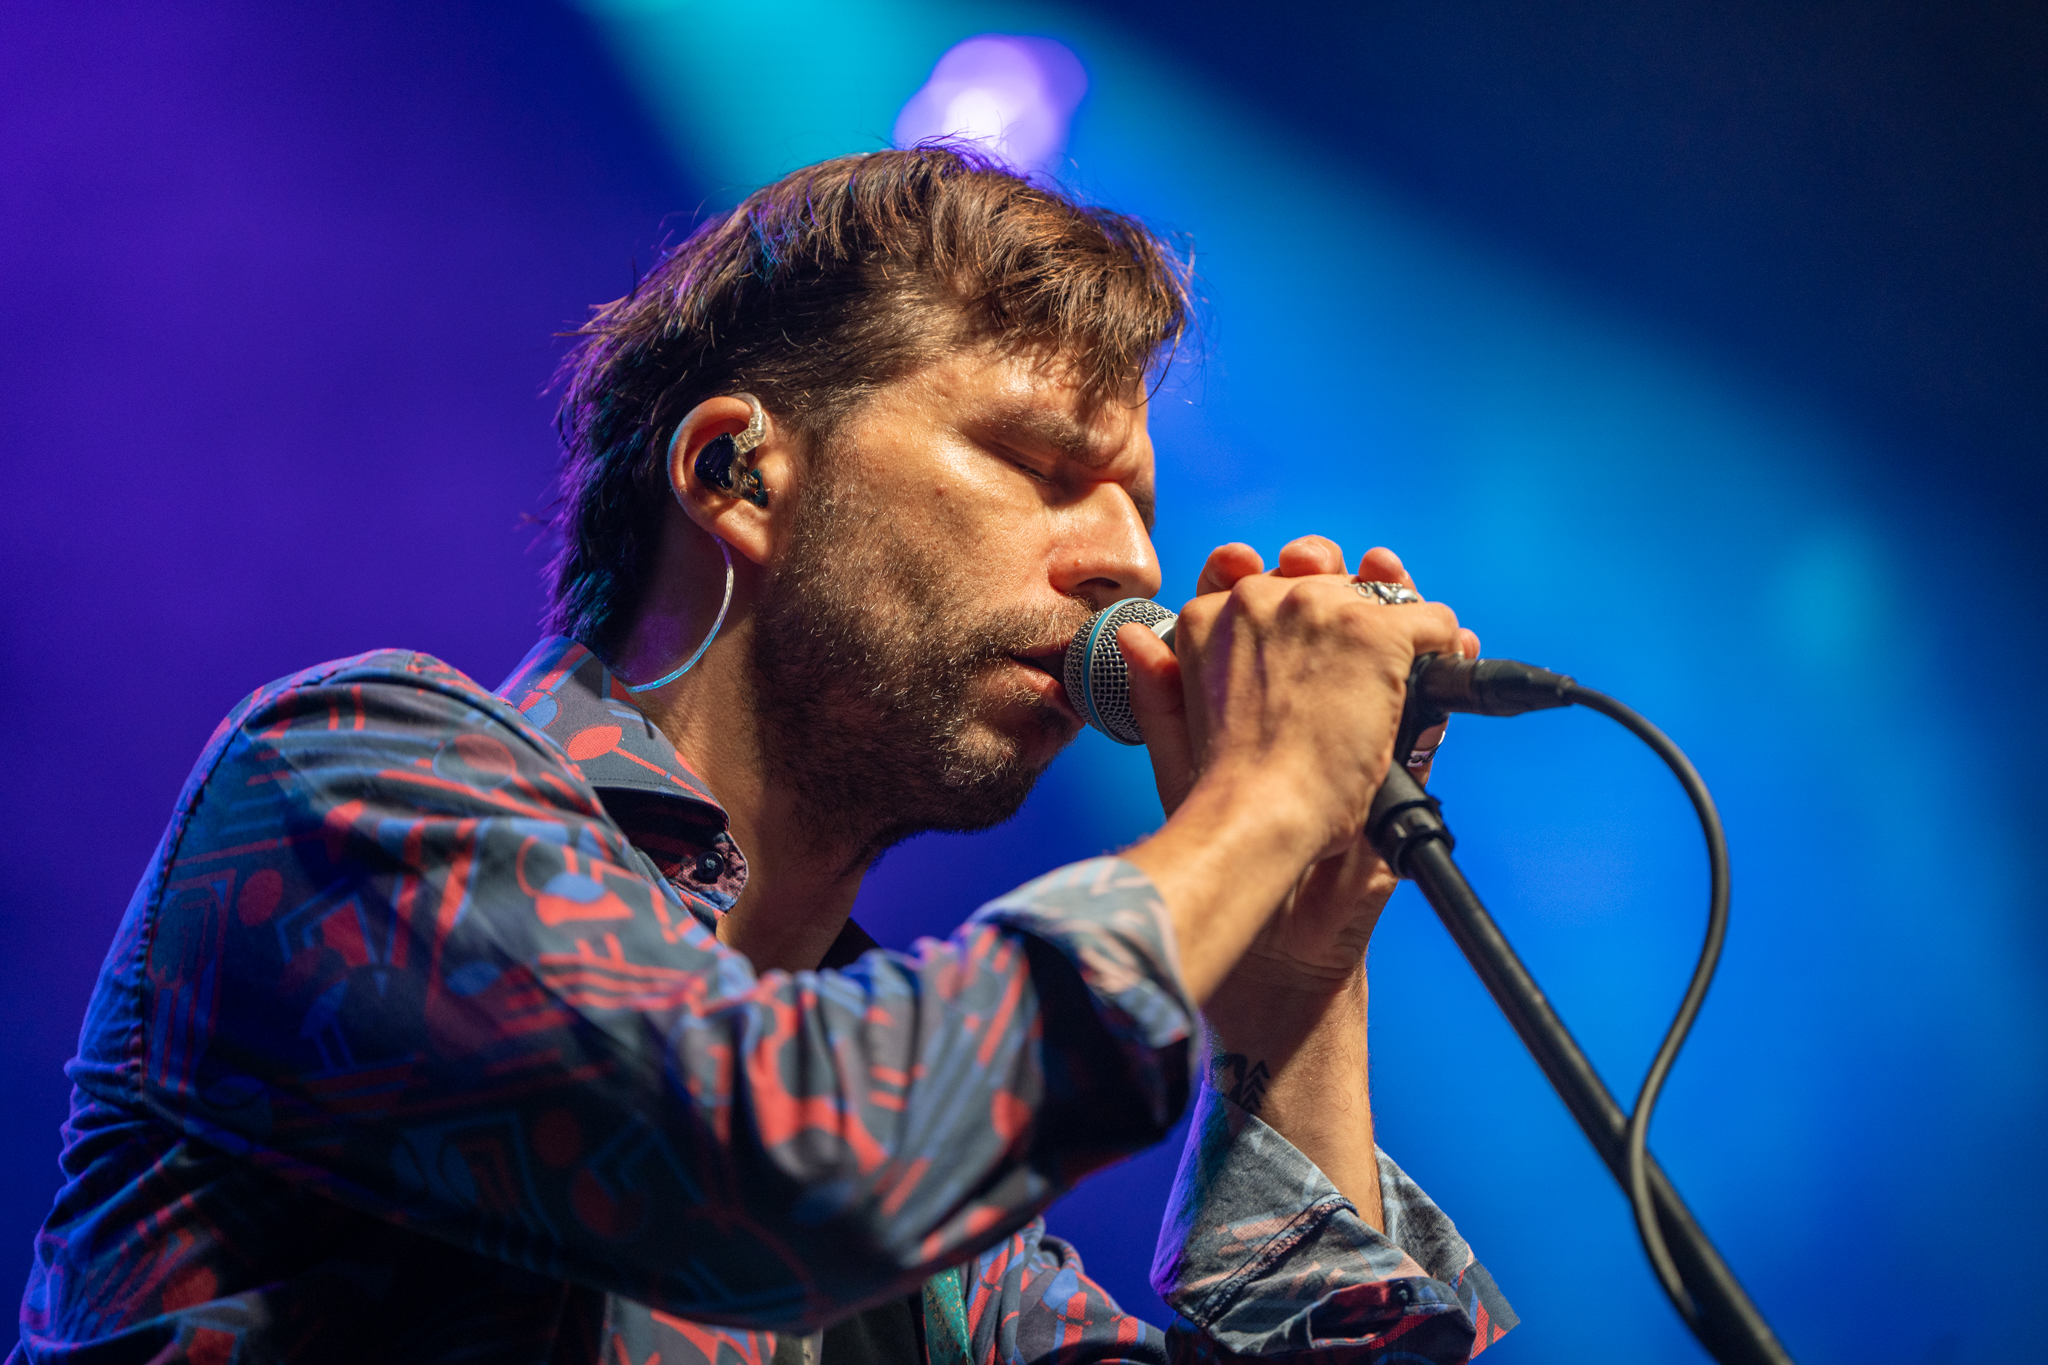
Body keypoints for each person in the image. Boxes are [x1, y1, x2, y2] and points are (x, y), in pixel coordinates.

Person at [13, 146, 1514, 1365]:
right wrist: (1261, 795)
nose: (1130, 561)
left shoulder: (948, 1214)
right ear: (735, 472)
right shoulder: (346, 782)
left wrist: (1297, 973)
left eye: (1137, 504)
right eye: (1043, 467)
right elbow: (785, 1158)